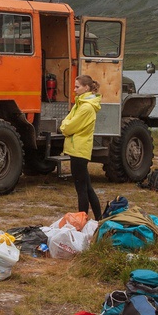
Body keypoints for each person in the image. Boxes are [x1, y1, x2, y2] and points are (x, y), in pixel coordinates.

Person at [58, 75, 103, 218]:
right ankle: (99, 218)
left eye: (77, 87)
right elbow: (67, 120)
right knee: (87, 187)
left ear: (86, 88)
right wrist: (66, 125)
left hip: (79, 150)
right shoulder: (79, 104)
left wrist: (65, 127)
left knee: (81, 189)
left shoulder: (86, 108)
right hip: (76, 149)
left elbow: (68, 126)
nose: (74, 89)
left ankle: (82, 220)